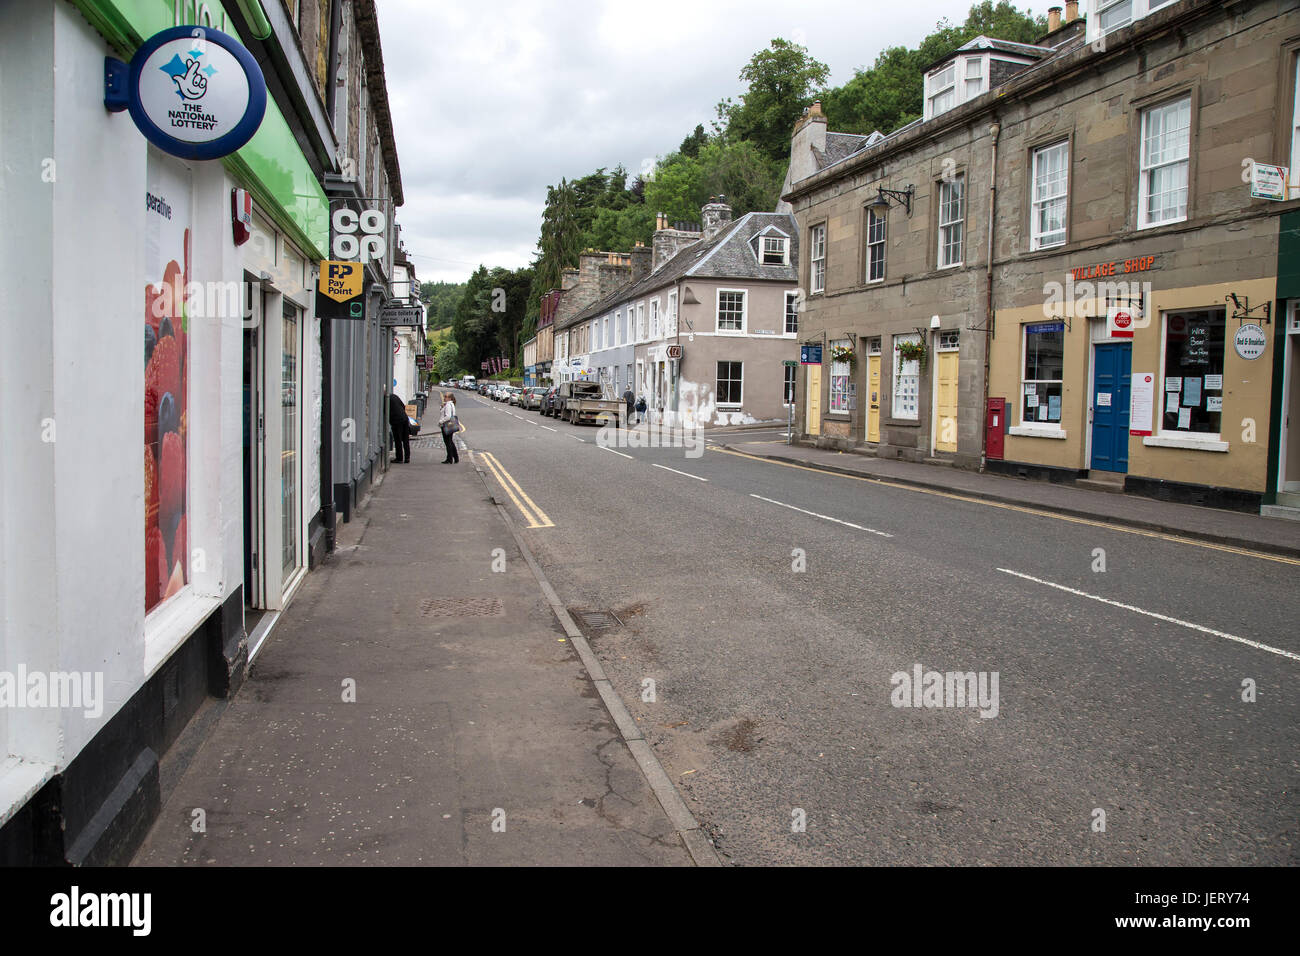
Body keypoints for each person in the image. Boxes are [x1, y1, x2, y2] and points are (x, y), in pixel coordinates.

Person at [438, 391, 460, 464]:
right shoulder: (450, 404)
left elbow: (448, 416)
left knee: (448, 442)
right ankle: (455, 457)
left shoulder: (448, 405)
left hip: (446, 425)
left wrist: (441, 421)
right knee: (450, 441)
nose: (444, 397)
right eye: (444, 396)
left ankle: (449, 459)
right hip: (451, 425)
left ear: (449, 398)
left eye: (445, 396)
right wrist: (441, 407)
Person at [389, 391, 410, 464]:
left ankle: (399, 458)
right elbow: (403, 406)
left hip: (396, 421)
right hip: (404, 418)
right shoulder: (394, 396)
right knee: (405, 439)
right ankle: (407, 458)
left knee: (398, 439)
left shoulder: (385, 399)